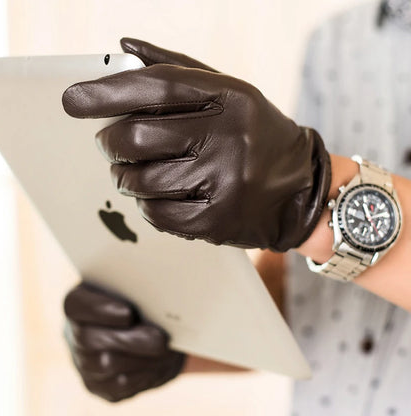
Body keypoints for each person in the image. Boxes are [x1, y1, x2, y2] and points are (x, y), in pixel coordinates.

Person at [62, 0, 411, 412]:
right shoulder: (336, 42)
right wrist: (171, 343)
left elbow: (309, 214)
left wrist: (311, 194)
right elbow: (301, 293)